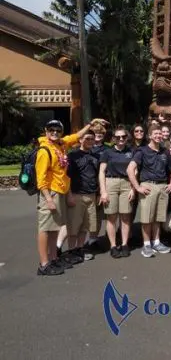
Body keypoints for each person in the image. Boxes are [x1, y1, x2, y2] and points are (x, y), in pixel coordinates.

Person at [35, 118, 107, 276]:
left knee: (54, 228)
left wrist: (90, 123)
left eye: (57, 130)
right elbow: (40, 180)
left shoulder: (60, 145)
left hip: (60, 191)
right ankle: (44, 263)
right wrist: (48, 198)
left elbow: (75, 136)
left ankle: (54, 258)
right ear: (46, 132)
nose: (54, 133)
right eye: (51, 130)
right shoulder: (44, 150)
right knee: (45, 229)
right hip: (50, 193)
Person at [127, 124, 171, 258]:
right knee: (146, 218)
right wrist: (137, 187)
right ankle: (147, 245)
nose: (158, 135)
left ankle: (156, 242)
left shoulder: (164, 152)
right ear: (150, 136)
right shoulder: (142, 151)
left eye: (160, 133)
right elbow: (130, 169)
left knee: (158, 217)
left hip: (162, 187)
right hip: (148, 186)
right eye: (155, 133)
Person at [98, 126, 135, 259]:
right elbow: (101, 171)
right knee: (111, 216)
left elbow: (135, 170)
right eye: (118, 137)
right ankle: (113, 245)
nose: (121, 139)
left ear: (127, 138)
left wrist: (133, 188)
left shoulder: (132, 151)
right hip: (111, 183)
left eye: (123, 137)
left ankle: (125, 244)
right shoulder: (107, 152)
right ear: (113, 138)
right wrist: (103, 191)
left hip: (127, 183)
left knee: (125, 216)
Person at [66, 130, 99, 260]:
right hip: (77, 195)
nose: (90, 141)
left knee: (85, 226)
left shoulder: (95, 156)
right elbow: (66, 177)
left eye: (92, 139)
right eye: (87, 138)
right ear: (80, 140)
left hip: (91, 195)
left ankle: (79, 249)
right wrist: (69, 195)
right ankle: (71, 251)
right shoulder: (73, 156)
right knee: (74, 227)